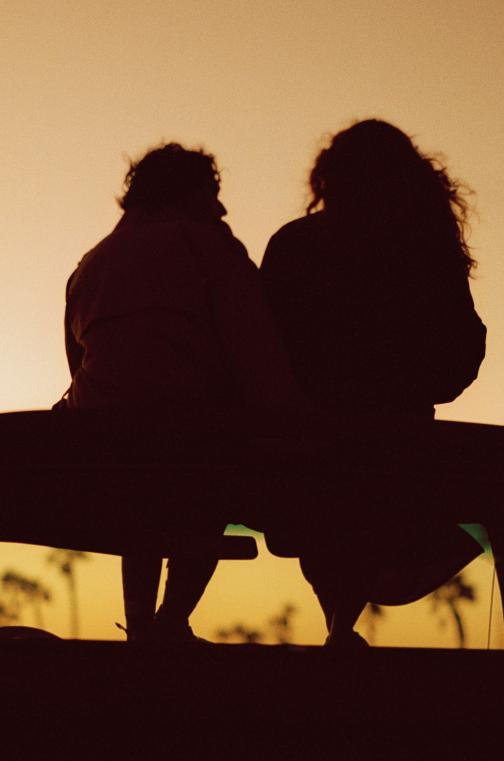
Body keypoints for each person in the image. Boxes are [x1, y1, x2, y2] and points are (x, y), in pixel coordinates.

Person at [57, 142, 299, 643]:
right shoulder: (209, 249)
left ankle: (142, 627)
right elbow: (257, 353)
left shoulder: (89, 267)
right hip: (196, 447)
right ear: (184, 194)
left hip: (102, 454)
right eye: (211, 193)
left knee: (141, 482)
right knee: (206, 460)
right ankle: (170, 621)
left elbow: (82, 368)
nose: (221, 208)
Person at [261, 119, 487, 647]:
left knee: (331, 502)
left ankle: (340, 628)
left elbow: (263, 343)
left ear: (328, 177)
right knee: (367, 498)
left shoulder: (296, 243)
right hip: (393, 438)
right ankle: (342, 627)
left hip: (307, 439)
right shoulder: (423, 248)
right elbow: (461, 347)